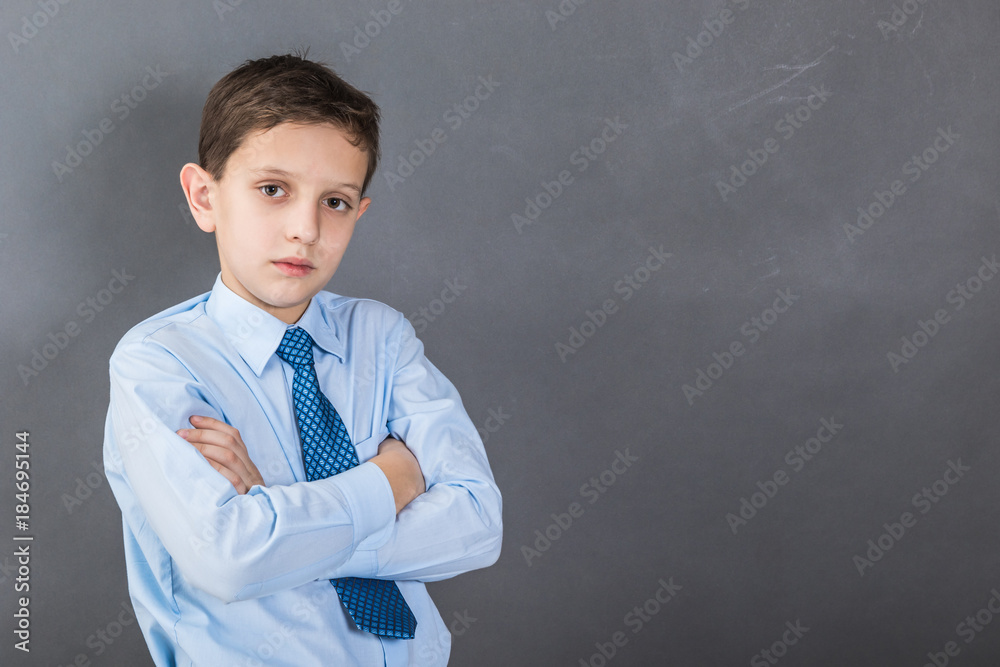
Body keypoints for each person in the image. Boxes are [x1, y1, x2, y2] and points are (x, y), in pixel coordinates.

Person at [102, 53, 503, 666]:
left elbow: (477, 526)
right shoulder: (159, 363)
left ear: (359, 212)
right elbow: (231, 560)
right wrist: (393, 479)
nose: (305, 229)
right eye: (272, 189)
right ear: (203, 197)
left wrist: (278, 510)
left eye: (335, 202)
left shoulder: (382, 337)